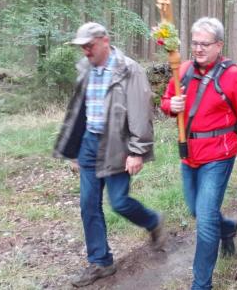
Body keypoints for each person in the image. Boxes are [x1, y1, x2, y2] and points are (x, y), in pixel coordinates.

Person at [53, 22, 165, 287]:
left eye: (89, 45)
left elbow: (140, 113)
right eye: (82, 47)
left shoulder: (129, 70)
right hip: (88, 143)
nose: (86, 51)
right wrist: (74, 149)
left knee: (119, 202)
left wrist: (137, 151)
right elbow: (78, 111)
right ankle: (101, 261)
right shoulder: (85, 69)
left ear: (104, 40)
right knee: (88, 204)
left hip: (117, 144)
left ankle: (153, 221)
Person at [161, 17, 237, 290]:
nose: (198, 48)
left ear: (219, 45)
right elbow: (166, 102)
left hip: (219, 155)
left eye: (204, 44)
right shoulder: (182, 70)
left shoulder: (234, 76)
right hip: (188, 153)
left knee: (205, 220)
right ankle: (227, 228)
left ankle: (201, 284)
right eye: (195, 43)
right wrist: (171, 104)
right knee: (196, 209)